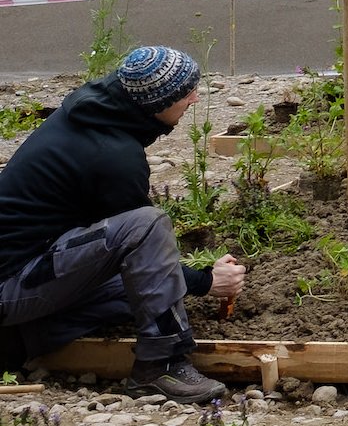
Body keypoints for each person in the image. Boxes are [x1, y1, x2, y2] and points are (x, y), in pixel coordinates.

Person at [0, 45, 244, 403]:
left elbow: (133, 265)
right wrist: (207, 281)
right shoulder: (113, 156)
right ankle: (161, 366)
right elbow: (139, 243)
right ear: (157, 103)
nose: (194, 98)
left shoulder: (91, 114)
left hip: (28, 268)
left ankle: (18, 342)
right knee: (146, 225)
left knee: (138, 298)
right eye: (185, 93)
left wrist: (193, 280)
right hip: (11, 285)